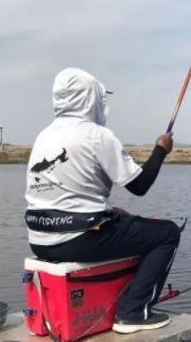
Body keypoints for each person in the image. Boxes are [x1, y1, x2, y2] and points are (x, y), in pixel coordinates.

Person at [24, 67, 179, 333]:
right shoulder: (96, 135)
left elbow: (70, 196)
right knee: (166, 233)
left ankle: (123, 302)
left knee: (123, 219)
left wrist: (111, 213)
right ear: (89, 98)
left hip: (40, 241)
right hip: (77, 241)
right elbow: (140, 186)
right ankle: (131, 313)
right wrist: (160, 150)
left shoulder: (44, 136)